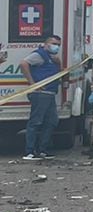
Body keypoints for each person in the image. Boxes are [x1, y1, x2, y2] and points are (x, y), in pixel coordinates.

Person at [20, 33, 63, 161]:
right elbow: (23, 63)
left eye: (58, 45)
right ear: (46, 44)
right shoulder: (39, 55)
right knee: (36, 122)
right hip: (40, 94)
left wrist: (59, 63)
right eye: (54, 44)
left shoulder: (53, 58)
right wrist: (33, 83)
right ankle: (30, 152)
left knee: (52, 121)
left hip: (50, 94)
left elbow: (59, 73)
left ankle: (42, 150)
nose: (56, 47)